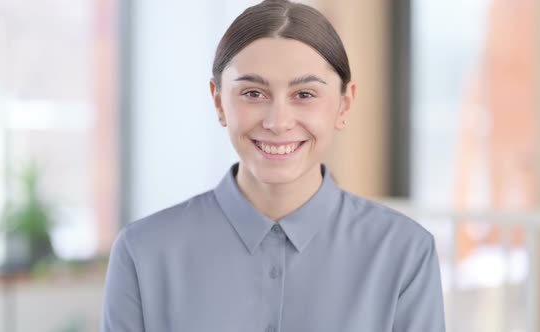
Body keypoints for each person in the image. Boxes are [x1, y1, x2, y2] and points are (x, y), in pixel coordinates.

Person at [101, 0, 446, 331]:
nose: (278, 122)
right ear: (219, 102)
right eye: (253, 93)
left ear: (344, 104)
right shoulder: (142, 252)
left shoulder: (405, 252)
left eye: (305, 95)